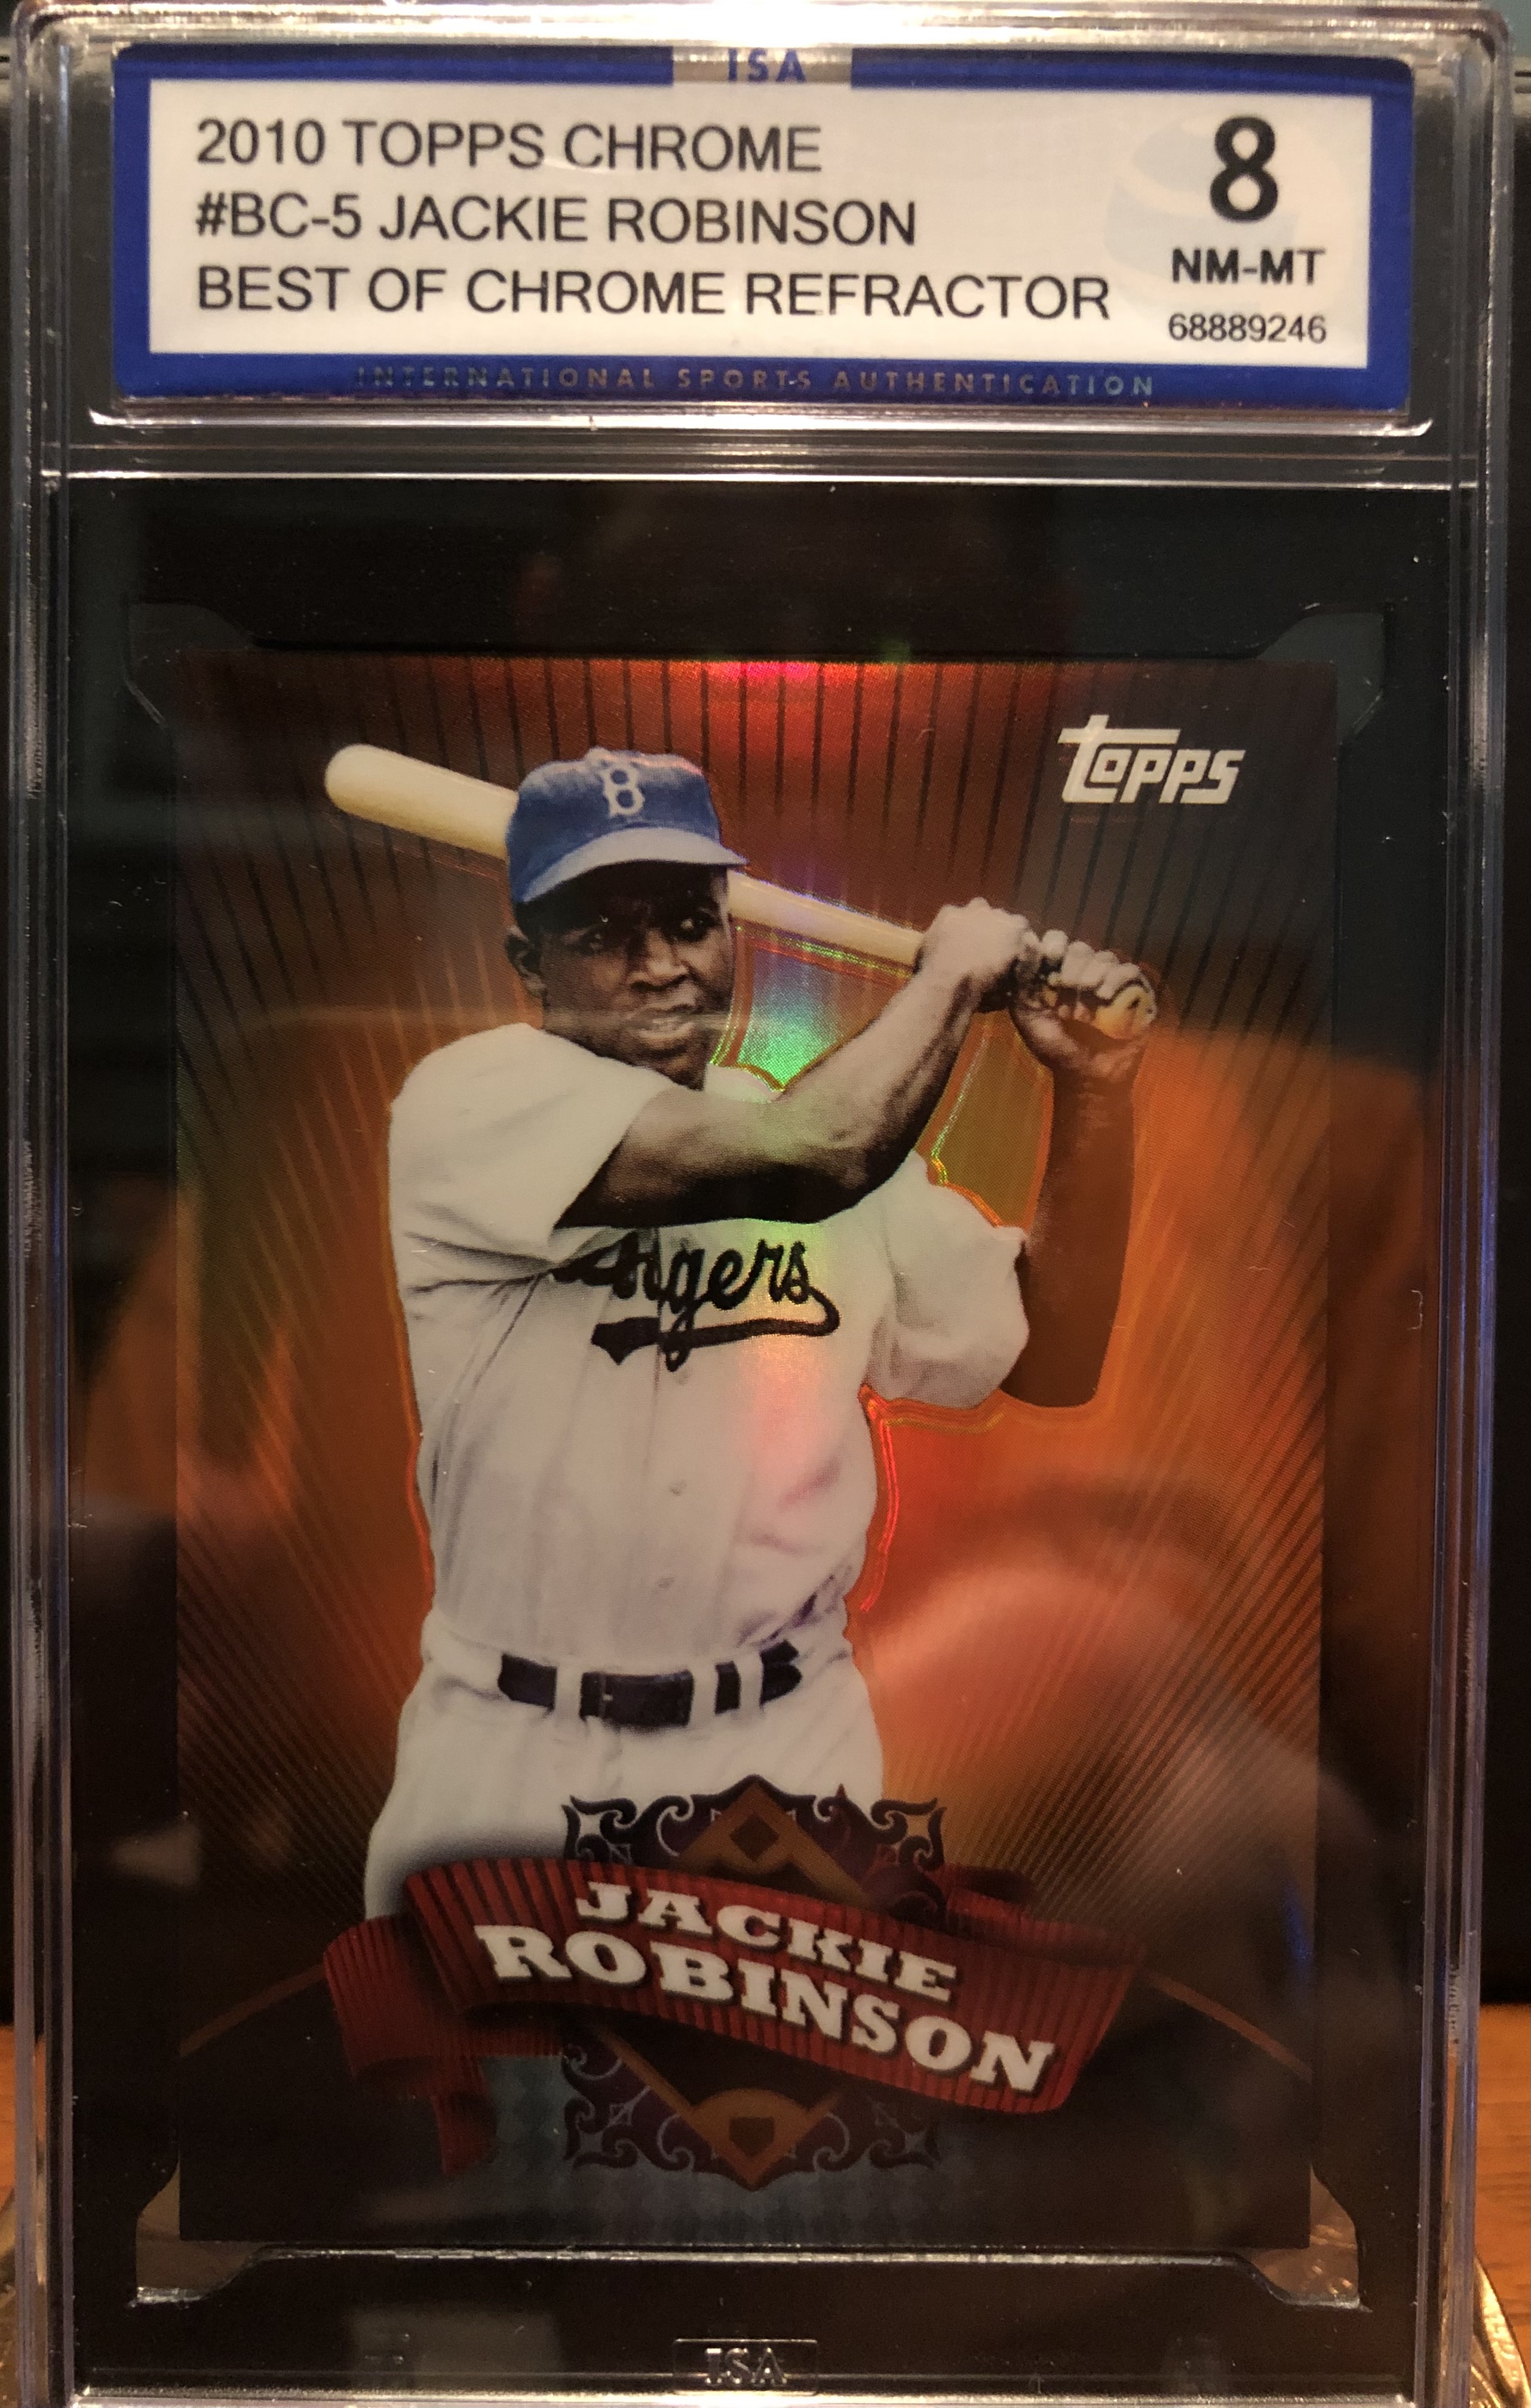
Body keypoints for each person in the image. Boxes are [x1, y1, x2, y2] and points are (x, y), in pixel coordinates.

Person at [364, 747, 1149, 1916]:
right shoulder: (472, 1104)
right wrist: (950, 976)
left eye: (690, 923)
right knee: (484, 2044)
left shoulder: (825, 1133)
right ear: (529, 967)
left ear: (734, 935)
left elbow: (1053, 1354)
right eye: (604, 936)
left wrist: (1094, 1089)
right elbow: (811, 1160)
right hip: (515, 1748)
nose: (659, 968)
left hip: (786, 1748)